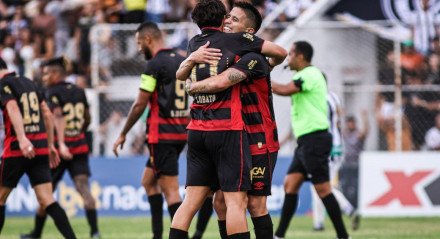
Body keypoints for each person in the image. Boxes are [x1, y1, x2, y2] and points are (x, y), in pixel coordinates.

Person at [169, 1, 286, 238]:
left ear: (248, 31)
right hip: (232, 133)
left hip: (258, 136)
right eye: (227, 17)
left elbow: (222, 81)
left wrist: (192, 86)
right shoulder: (225, 49)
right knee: (221, 201)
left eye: (234, 19)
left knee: (254, 204)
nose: (228, 21)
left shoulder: (253, 57)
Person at [112, 21, 189, 239]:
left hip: (162, 135)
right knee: (148, 182)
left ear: (148, 39)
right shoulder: (182, 59)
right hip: (179, 131)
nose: (138, 49)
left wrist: (123, 132)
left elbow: (139, 104)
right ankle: (157, 235)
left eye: (138, 43)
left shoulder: (154, 65)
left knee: (171, 191)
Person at [271, 41, 349, 239]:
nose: (288, 58)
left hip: (315, 138)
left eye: (291, 54)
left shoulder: (311, 74)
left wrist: (260, 79)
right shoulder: (303, 75)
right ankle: (279, 235)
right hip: (306, 141)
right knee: (290, 184)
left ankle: (343, 235)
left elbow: (285, 90)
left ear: (301, 56)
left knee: (323, 189)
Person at [21, 57, 100, 239]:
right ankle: (95, 232)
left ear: (56, 74)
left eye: (47, 74)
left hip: (56, 151)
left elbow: (56, 115)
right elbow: (87, 118)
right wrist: (78, 132)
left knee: (45, 193)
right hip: (79, 148)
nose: (44, 77)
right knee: (84, 190)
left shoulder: (51, 92)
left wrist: (62, 142)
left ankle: (36, 233)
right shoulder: (79, 91)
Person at [0, 58, 76, 239]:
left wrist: (22, 138)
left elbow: (12, 108)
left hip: (18, 149)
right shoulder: (29, 82)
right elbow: (47, 114)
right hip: (41, 148)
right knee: (47, 199)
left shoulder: (3, 85)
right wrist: (50, 145)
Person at [311, 89, 359, 232]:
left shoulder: (315, 98)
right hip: (338, 145)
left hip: (325, 147)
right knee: (320, 184)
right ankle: (318, 223)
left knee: (320, 184)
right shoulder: (334, 97)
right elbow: (339, 117)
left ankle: (347, 208)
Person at [341, 111, 369, 212]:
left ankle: (356, 206)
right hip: (346, 164)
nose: (350, 124)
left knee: (355, 187)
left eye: (352, 122)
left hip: (356, 165)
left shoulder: (358, 134)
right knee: (344, 186)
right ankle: (346, 208)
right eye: (349, 122)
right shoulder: (345, 134)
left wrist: (365, 118)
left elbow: (365, 132)